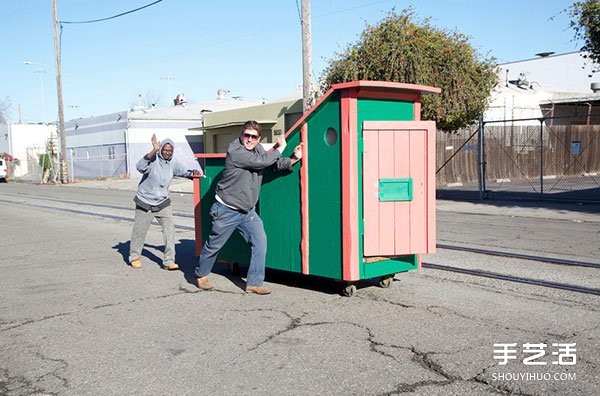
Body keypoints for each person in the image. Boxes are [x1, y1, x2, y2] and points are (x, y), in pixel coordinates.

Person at [194, 120, 302, 295]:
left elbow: (271, 164)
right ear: (241, 135)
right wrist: (280, 148)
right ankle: (201, 274)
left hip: (247, 211)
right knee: (214, 244)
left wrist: (294, 158)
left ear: (259, 139)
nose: (249, 139)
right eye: (247, 135)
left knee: (260, 242)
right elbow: (260, 163)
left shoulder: (258, 151)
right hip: (226, 209)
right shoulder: (235, 151)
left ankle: (254, 282)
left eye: (254, 136)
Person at [129, 134, 202, 270]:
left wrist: (192, 172)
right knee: (139, 231)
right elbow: (140, 166)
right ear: (161, 149)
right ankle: (134, 257)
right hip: (145, 201)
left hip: (162, 202)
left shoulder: (173, 162)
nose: (168, 153)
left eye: (170, 150)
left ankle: (169, 261)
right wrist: (153, 151)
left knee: (169, 231)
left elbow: (182, 170)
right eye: (165, 150)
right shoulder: (153, 160)